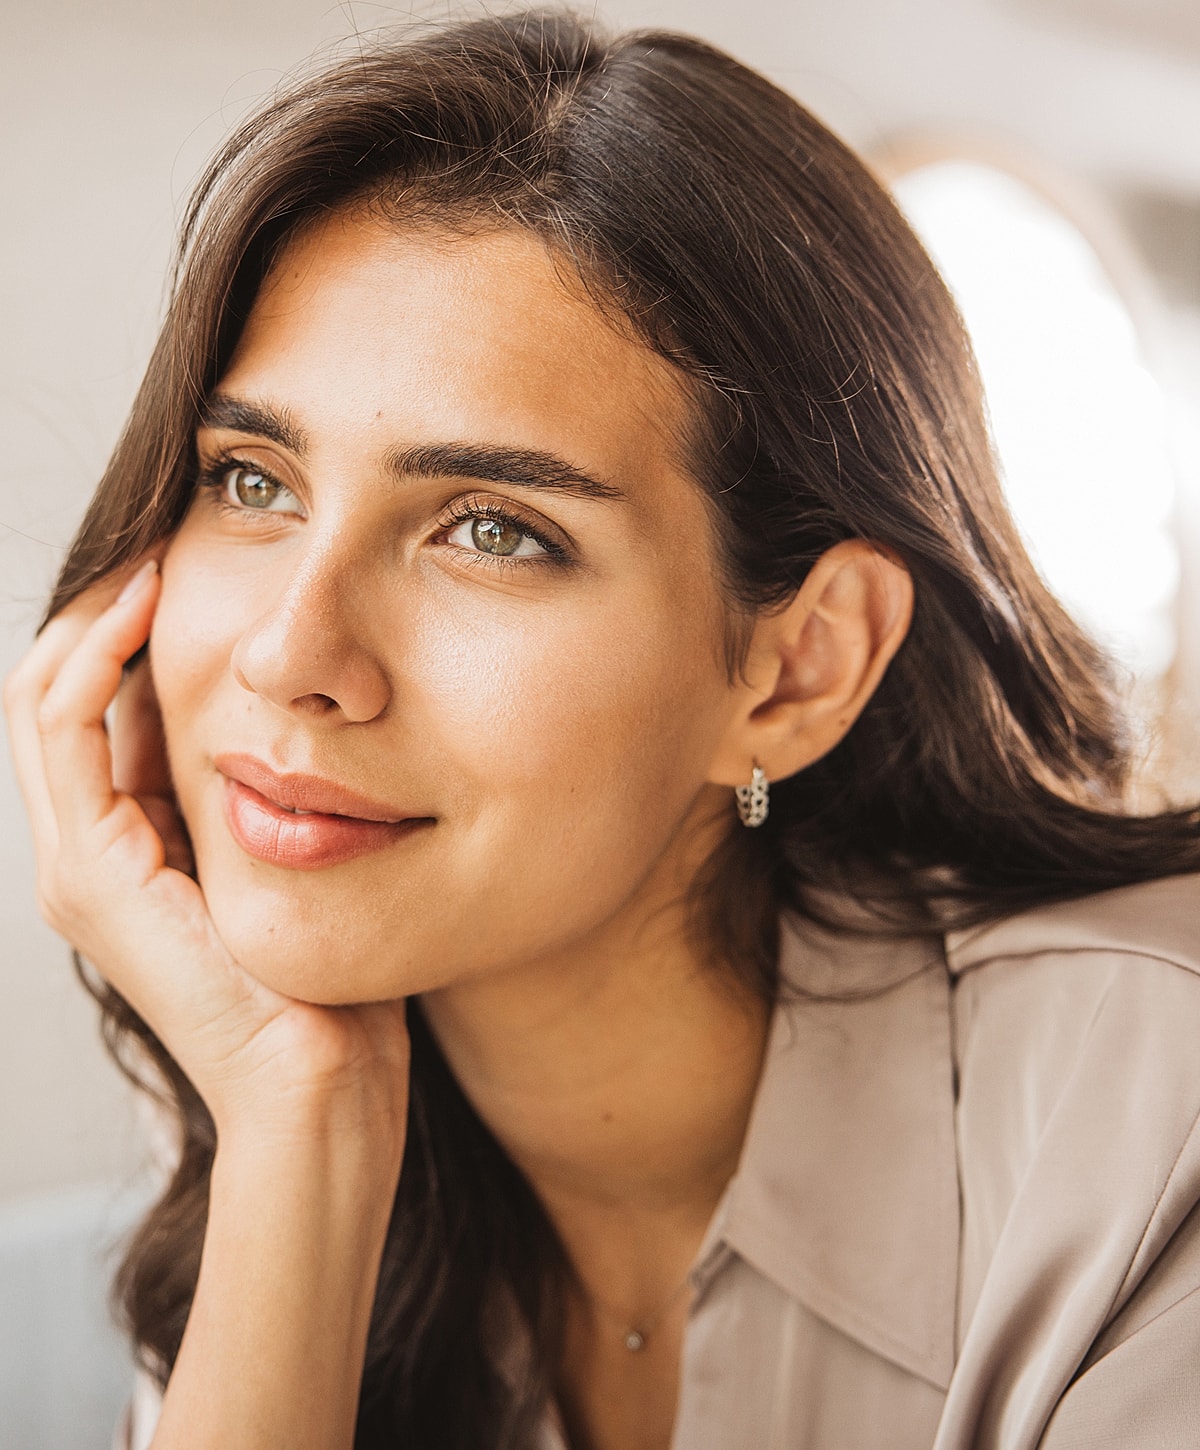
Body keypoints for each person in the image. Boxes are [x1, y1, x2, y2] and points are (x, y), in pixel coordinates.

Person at [6, 10, 1200, 1449]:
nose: (288, 653)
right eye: (253, 480)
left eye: (494, 528)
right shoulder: (266, 1083)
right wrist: (297, 1133)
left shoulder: (1149, 1134)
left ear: (794, 671)